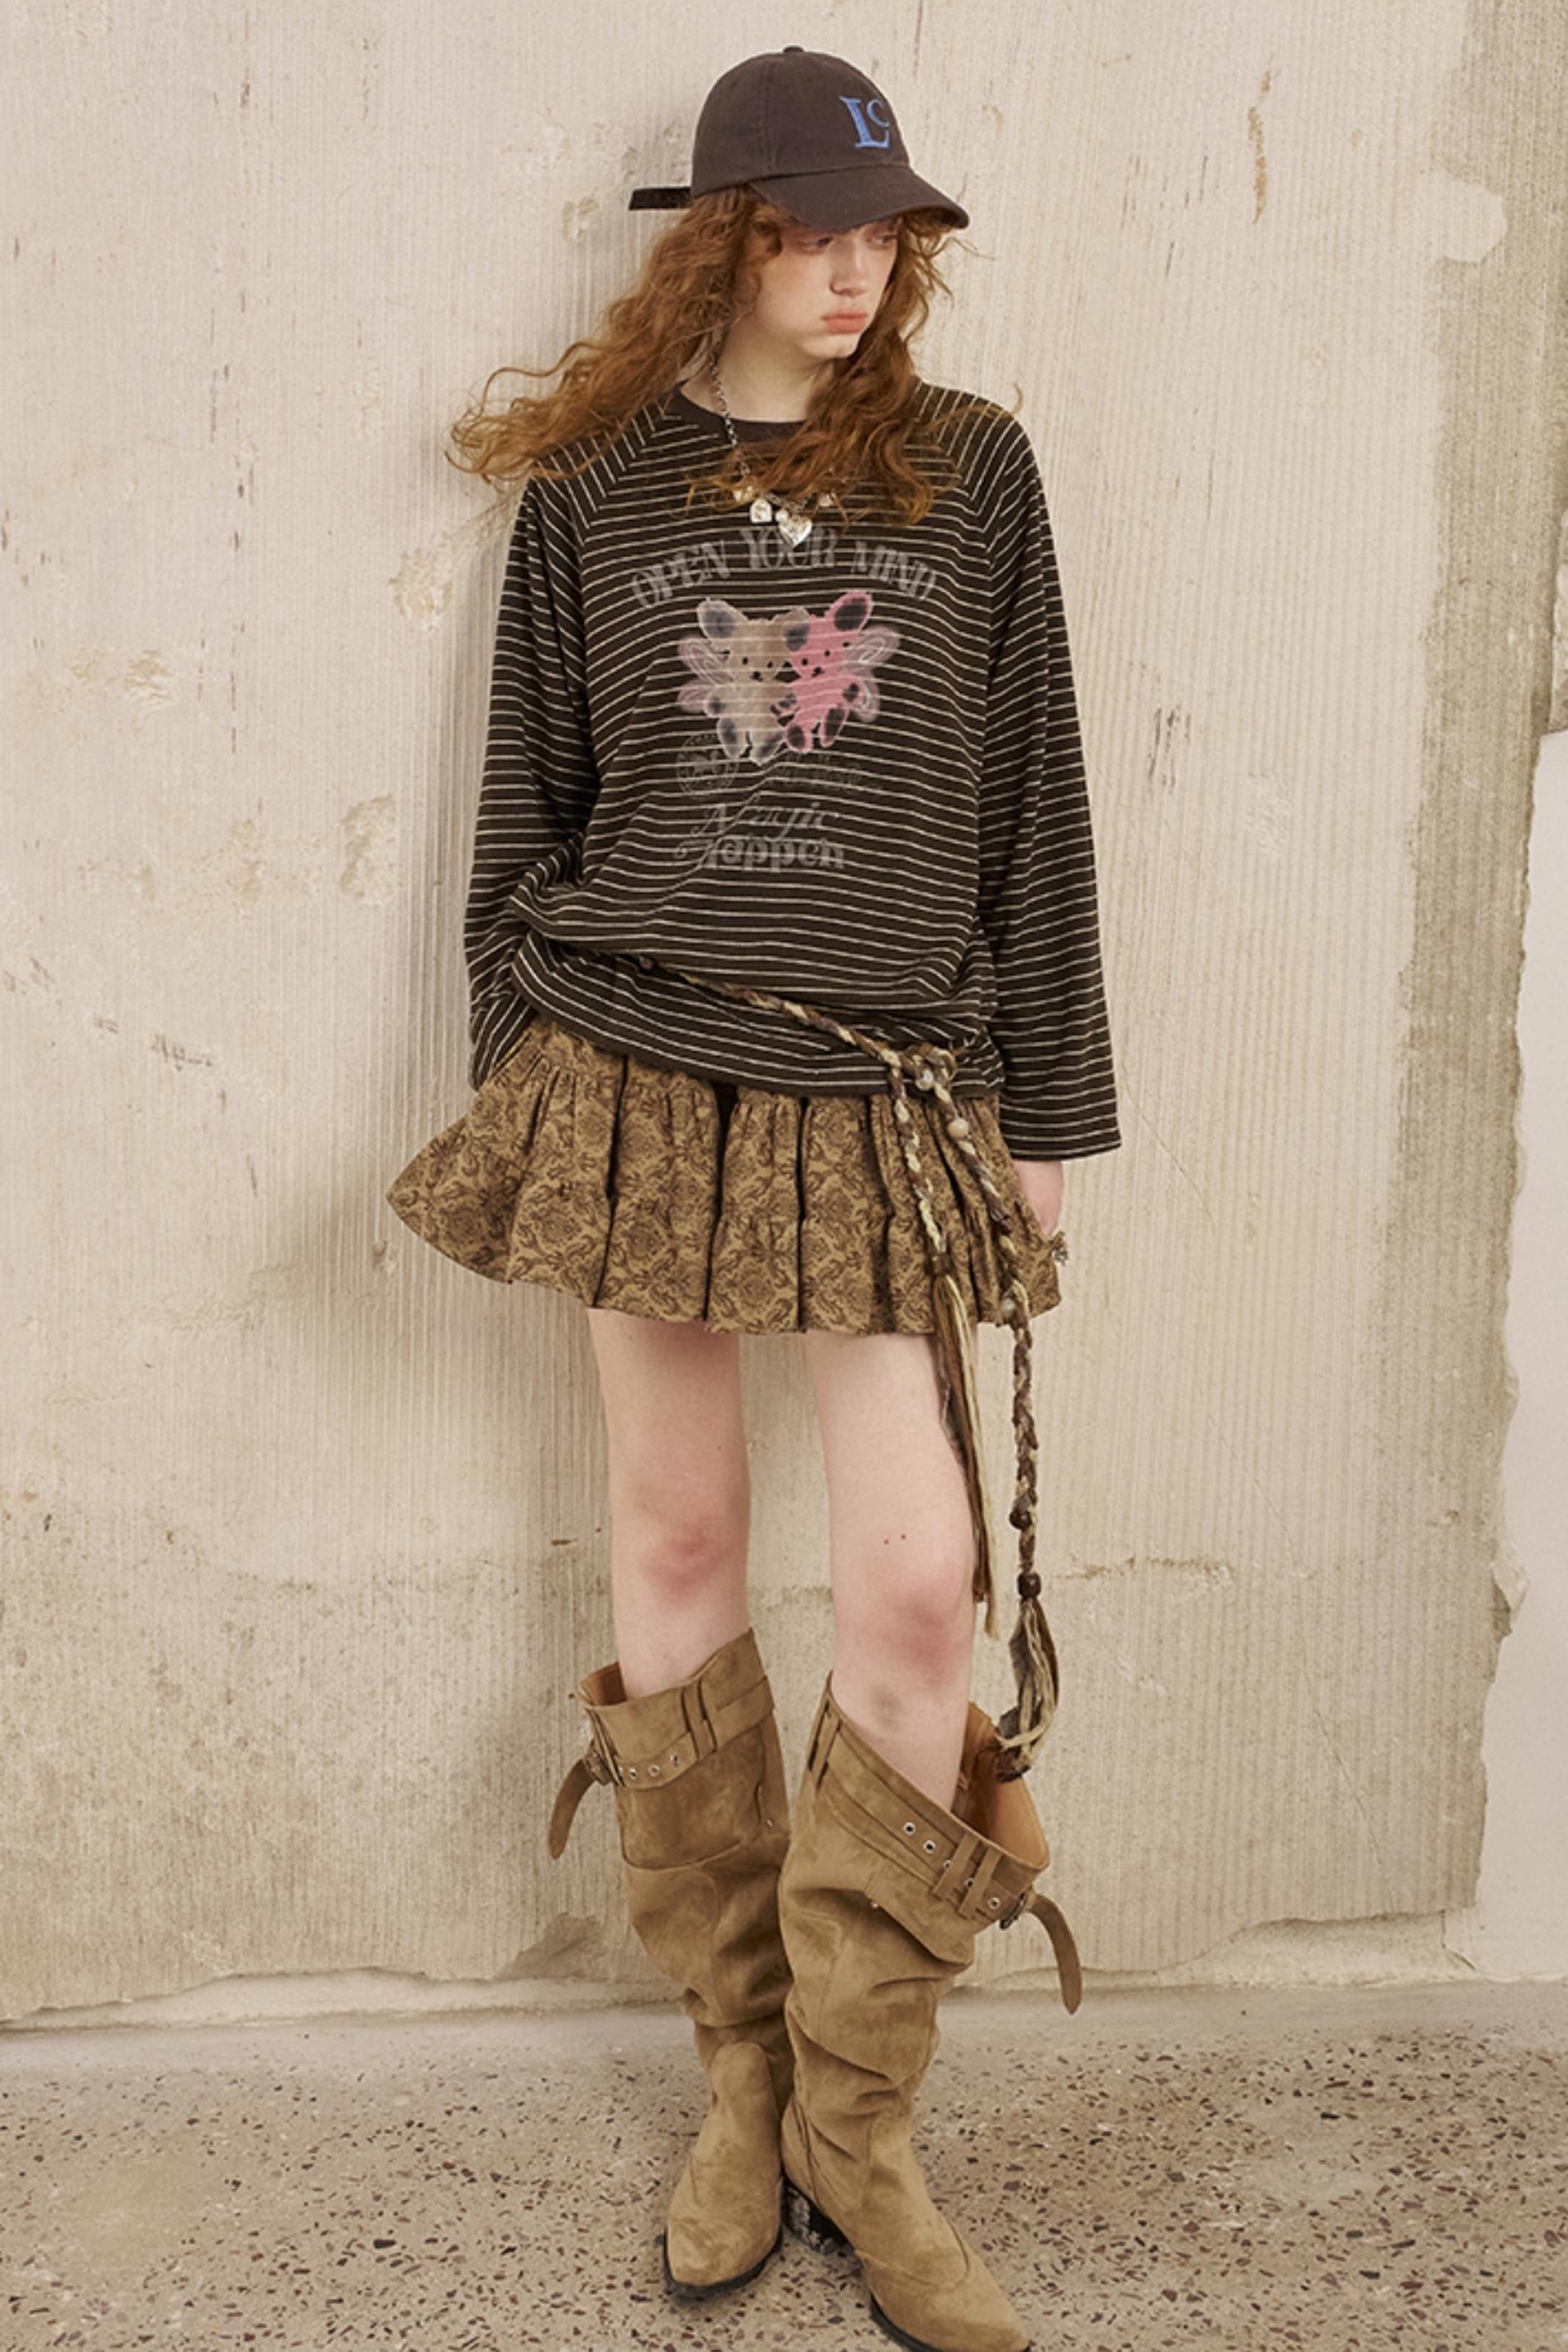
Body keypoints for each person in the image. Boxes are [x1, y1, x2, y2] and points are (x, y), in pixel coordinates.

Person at [386, 45, 1117, 2352]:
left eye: (883, 230)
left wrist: (1047, 1108)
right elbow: (525, 822)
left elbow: (1038, 809)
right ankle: (745, 2081)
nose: (853, 270)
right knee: (680, 1540)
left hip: (883, 1086)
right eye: (807, 231)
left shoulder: (970, 475)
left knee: (917, 1583)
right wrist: (526, 1087)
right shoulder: (596, 493)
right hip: (635, 1072)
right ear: (721, 242)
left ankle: (860, 2129)